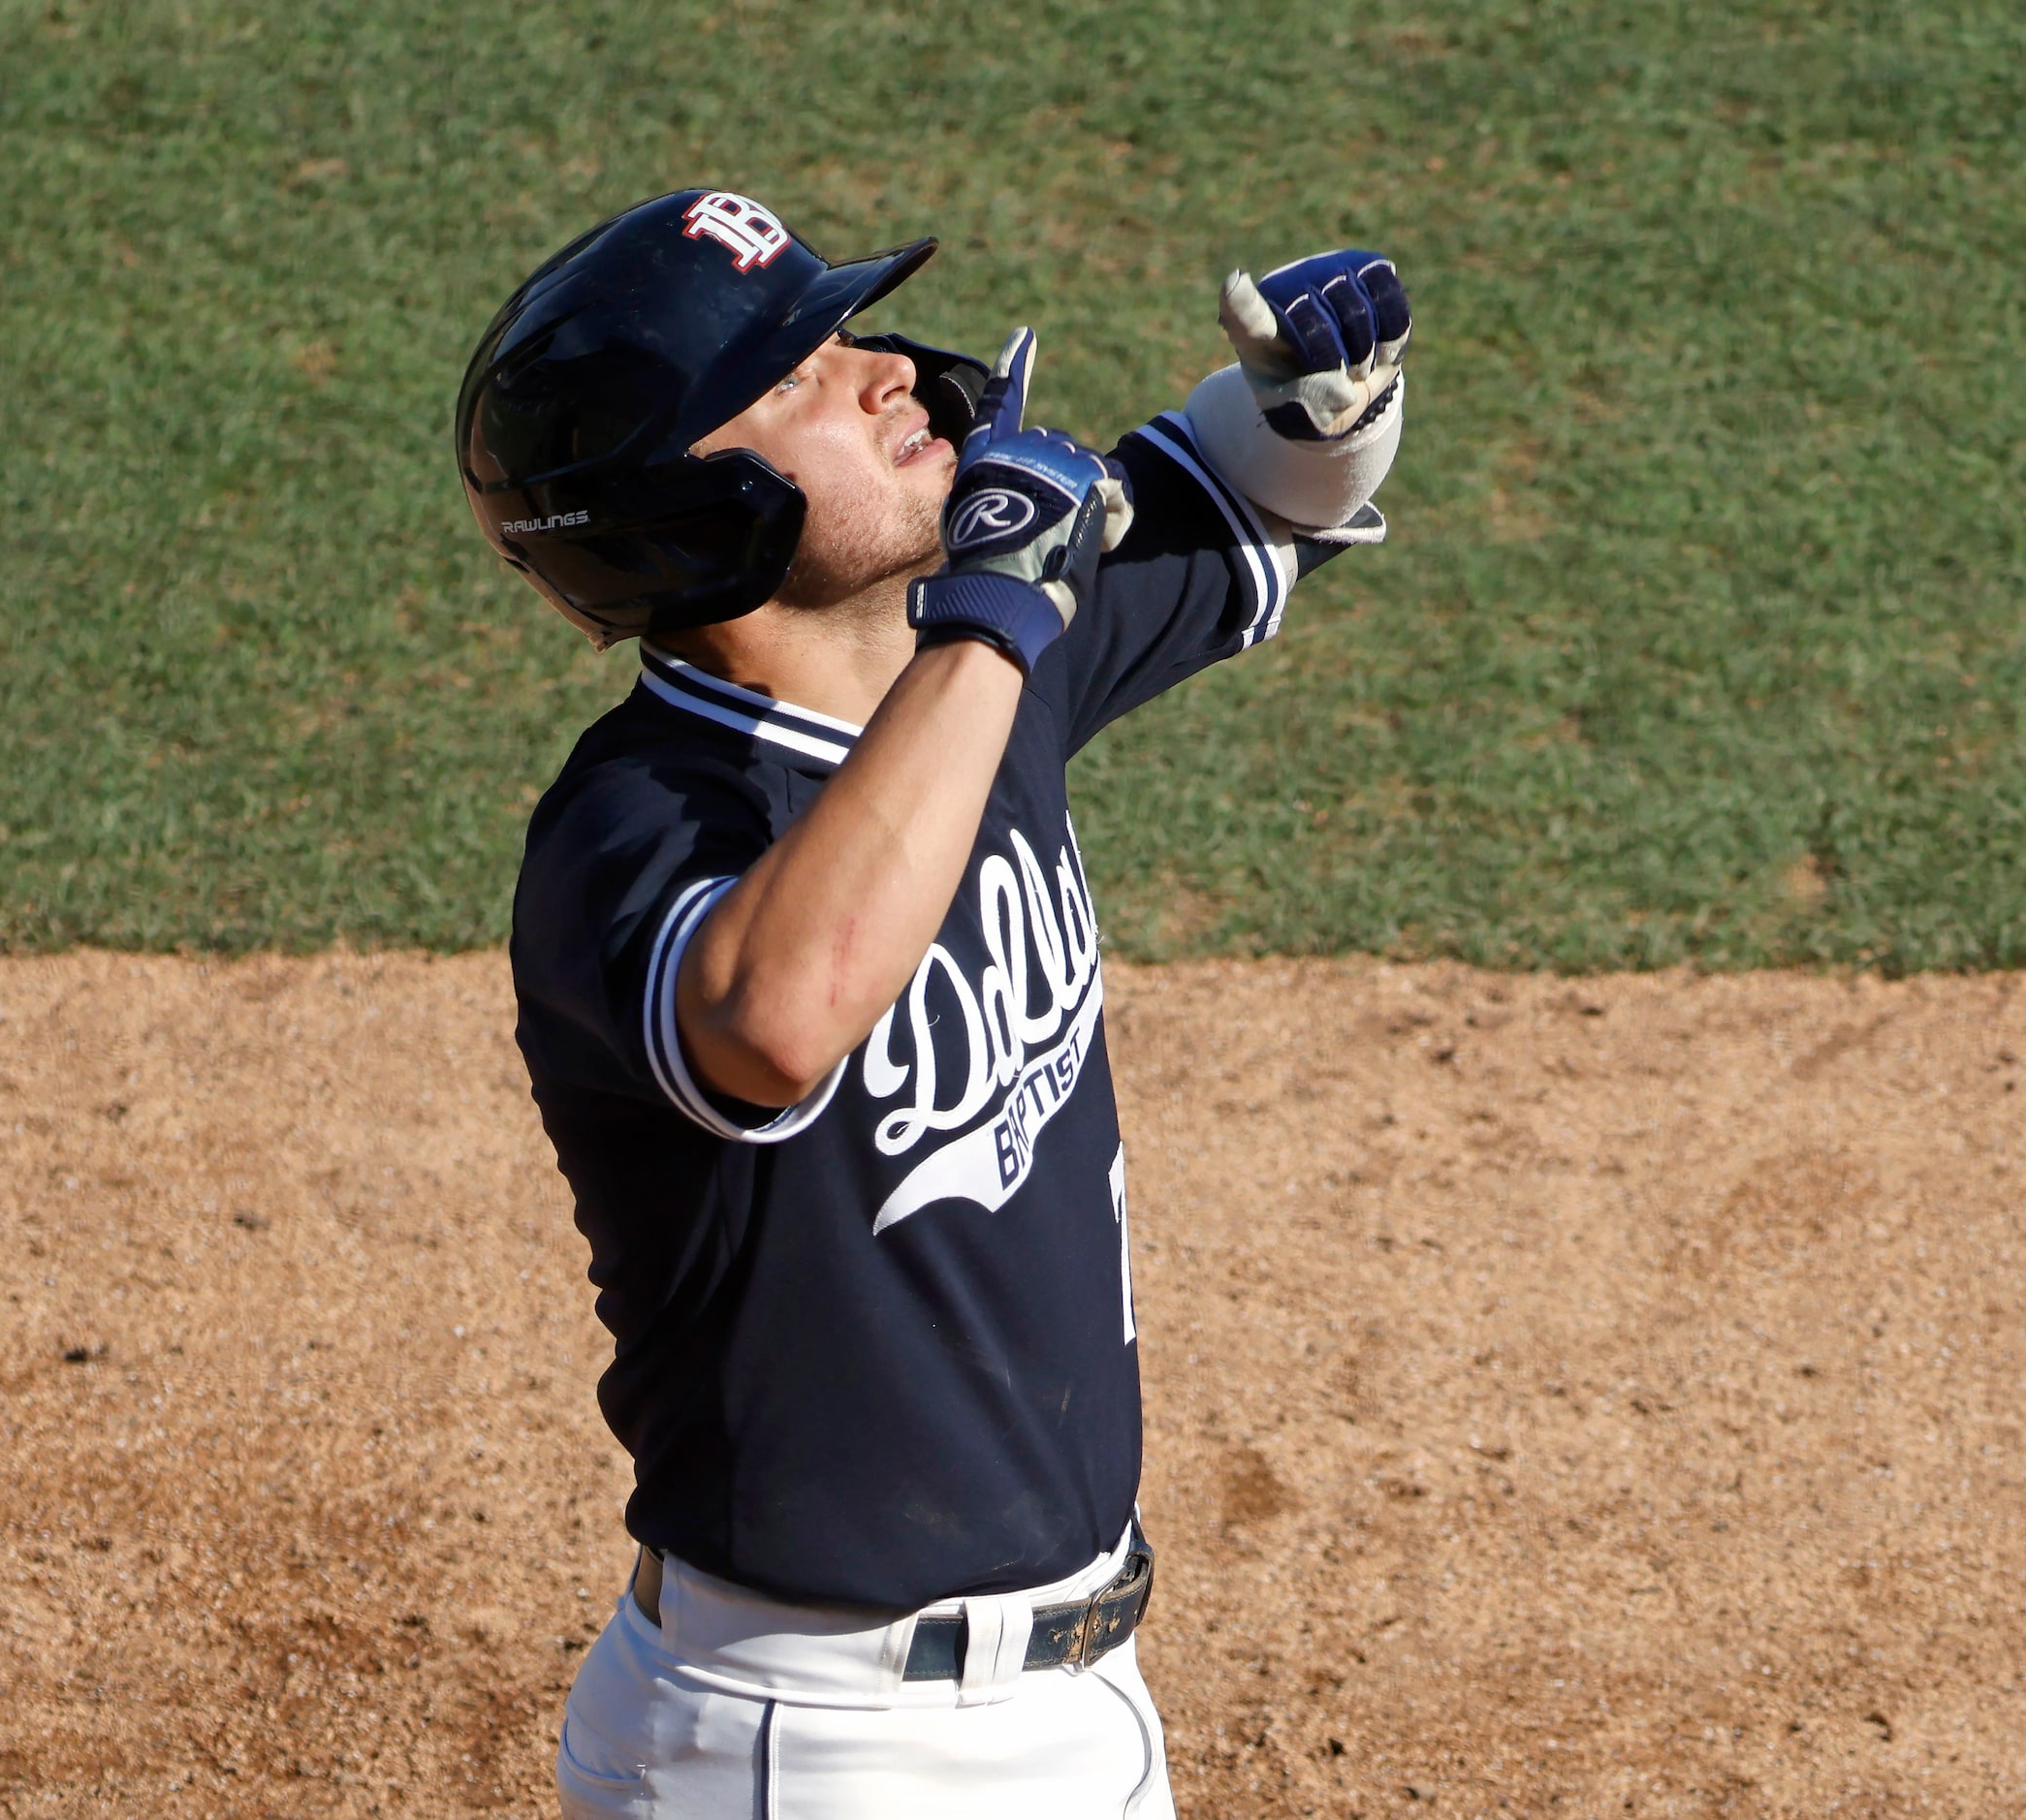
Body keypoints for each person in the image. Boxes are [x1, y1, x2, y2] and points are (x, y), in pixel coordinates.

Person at [455, 187, 1409, 1818]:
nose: (884, 369)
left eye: (847, 333)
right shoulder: (633, 829)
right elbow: (774, 1013)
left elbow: (1252, 497)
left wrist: (1327, 406)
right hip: (826, 1743)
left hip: (1078, 1701)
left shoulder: (962, 661)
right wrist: (992, 623)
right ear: (688, 512)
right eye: (796, 377)